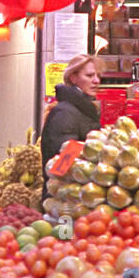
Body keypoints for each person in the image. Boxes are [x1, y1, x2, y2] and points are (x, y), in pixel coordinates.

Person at [40, 54, 102, 188]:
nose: (96, 80)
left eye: (97, 75)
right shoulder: (65, 113)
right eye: (90, 76)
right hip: (63, 198)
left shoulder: (83, 110)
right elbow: (62, 165)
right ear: (73, 78)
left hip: (78, 195)